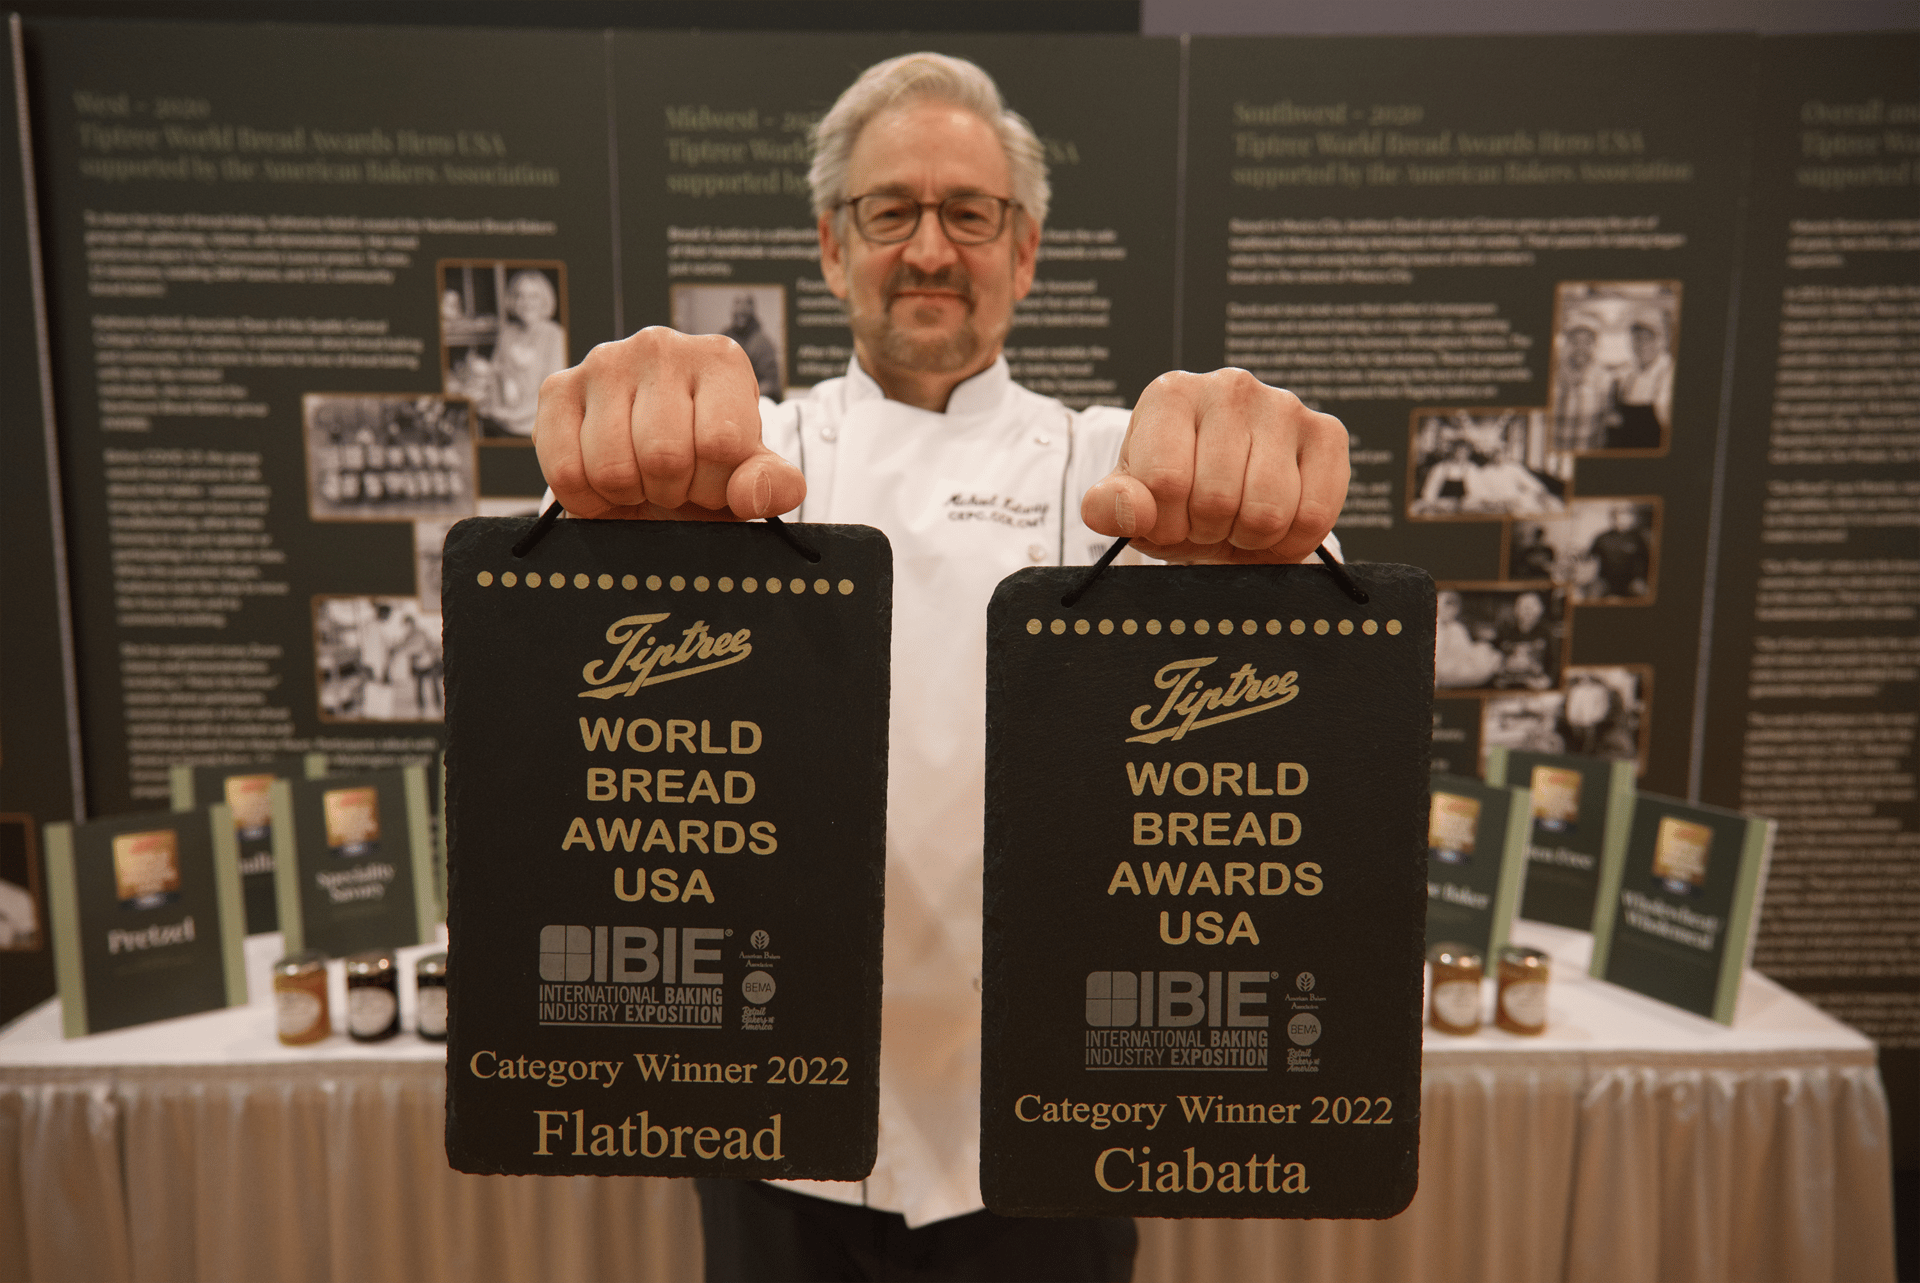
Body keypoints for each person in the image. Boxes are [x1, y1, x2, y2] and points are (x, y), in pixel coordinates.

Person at [533, 52, 1348, 1283]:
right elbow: (523, 670)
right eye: (890, 211)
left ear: (1022, 254)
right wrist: (595, 480)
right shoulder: (746, 461)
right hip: (774, 1121)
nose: (928, 247)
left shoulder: (1111, 473)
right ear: (830, 246)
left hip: (1045, 1126)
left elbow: (1315, 658)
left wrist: (1277, 505)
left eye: (969, 214)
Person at [486, 270, 568, 437]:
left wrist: (512, 415)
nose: (526, 302)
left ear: (544, 300)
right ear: (513, 300)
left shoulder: (555, 335)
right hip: (504, 425)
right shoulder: (507, 333)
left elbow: (552, 390)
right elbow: (494, 376)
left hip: (540, 430)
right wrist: (496, 410)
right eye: (520, 295)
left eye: (534, 296)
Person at [1550, 311, 1615, 452]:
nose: (1581, 348)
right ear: (1567, 343)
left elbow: (1606, 424)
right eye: (1575, 341)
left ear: (1595, 345)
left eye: (1587, 342)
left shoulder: (1605, 379)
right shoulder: (1552, 375)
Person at [1610, 304, 1673, 448]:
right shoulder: (1628, 374)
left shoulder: (1667, 372)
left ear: (1660, 341)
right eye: (1636, 338)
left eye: (1647, 338)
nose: (1641, 344)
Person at [1585, 503, 1651, 599]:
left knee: (1643, 593)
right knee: (1592, 595)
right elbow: (1588, 556)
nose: (1620, 519)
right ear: (1612, 518)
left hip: (1631, 581)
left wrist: (1640, 579)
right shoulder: (1601, 538)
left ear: (1630, 518)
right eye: (1617, 516)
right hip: (1605, 581)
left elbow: (1648, 561)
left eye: (1624, 516)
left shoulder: (1638, 538)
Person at [724, 293, 784, 398]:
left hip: (754, 400)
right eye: (738, 302)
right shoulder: (723, 337)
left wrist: (748, 397)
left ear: (753, 309)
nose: (742, 308)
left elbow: (770, 383)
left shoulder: (762, 343)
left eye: (747, 303)